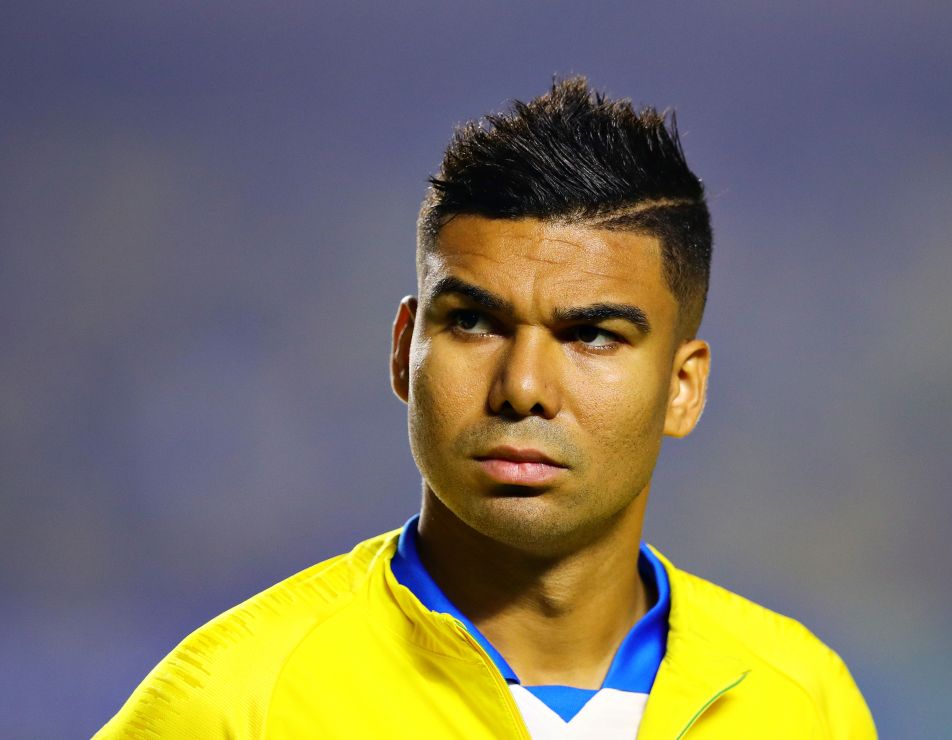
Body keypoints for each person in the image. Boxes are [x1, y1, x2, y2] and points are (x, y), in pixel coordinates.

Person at [98, 77, 876, 739]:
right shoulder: (235, 704)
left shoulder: (803, 700)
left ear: (683, 387)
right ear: (405, 350)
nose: (523, 386)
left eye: (593, 335)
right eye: (473, 322)